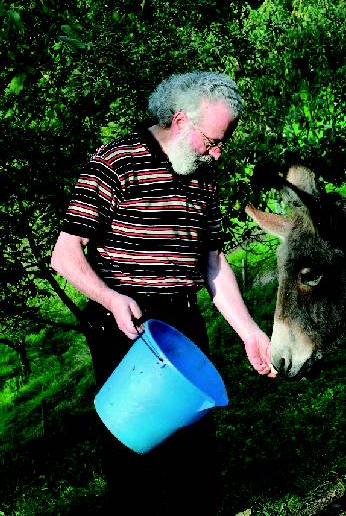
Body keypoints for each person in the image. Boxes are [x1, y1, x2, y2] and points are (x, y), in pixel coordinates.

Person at [51, 71, 275, 515]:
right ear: (180, 119)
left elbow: (213, 264)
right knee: (137, 458)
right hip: (125, 325)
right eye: (212, 141)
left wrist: (249, 332)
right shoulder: (117, 161)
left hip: (182, 323)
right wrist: (111, 299)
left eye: (223, 142)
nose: (217, 152)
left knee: (196, 459)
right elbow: (65, 254)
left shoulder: (204, 177)